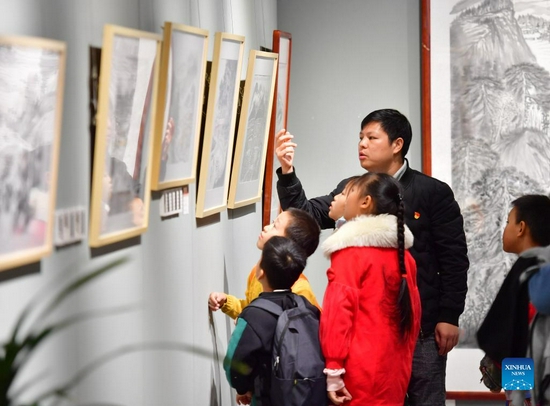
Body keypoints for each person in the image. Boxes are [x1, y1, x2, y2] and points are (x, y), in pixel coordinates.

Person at [275, 108, 469, 405]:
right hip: (368, 333)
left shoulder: (433, 192)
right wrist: (287, 173)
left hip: (422, 328)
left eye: (371, 137)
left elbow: (453, 259)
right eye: (360, 137)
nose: (362, 144)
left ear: (397, 144)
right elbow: (305, 217)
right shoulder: (352, 189)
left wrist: (449, 316)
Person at [320, 172, 421, 405]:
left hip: (357, 371)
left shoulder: (350, 254)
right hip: (396, 370)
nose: (341, 197)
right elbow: (414, 317)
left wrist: (334, 369)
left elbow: (338, 315)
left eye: (348, 192)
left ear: (365, 203)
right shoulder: (405, 257)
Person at [223, 235, 321, 406]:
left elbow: (234, 364)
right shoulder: (305, 306)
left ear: (261, 273)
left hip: (267, 398)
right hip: (305, 395)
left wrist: (242, 388)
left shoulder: (253, 314)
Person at [477, 195, 550, 406]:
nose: (505, 229)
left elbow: (519, 341)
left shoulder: (533, 274)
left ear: (521, 228)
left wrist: (519, 396)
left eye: (509, 222)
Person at [208, 207, 321, 319]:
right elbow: (250, 308)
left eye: (275, 226)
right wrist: (226, 302)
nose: (266, 227)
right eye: (272, 223)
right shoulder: (258, 271)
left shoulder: (300, 290)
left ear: (288, 246)